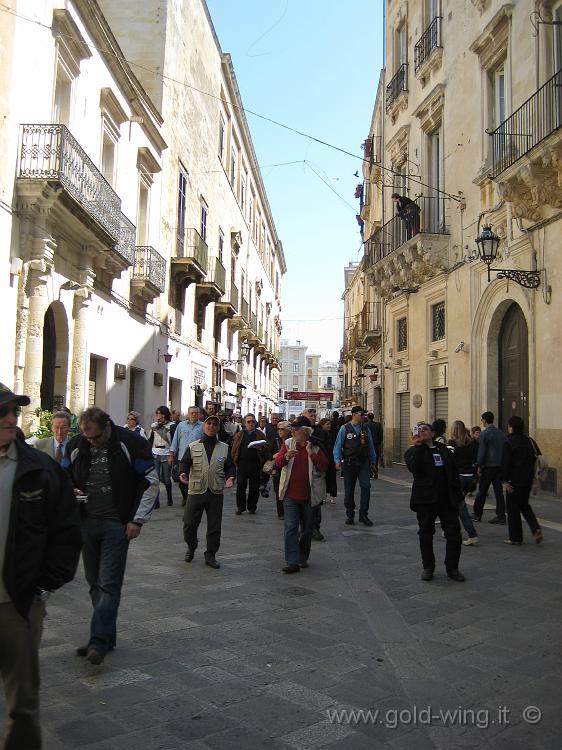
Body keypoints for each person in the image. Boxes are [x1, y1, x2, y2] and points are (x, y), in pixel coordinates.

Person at [0, 384, 82, 750]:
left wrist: (42, 587)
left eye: (13, 411)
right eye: (1, 411)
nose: (9, 417)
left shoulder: (39, 469)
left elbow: (66, 531)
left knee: (22, 704)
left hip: (17, 604)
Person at [66, 407, 159, 665]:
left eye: (95, 437)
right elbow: (61, 475)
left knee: (108, 583)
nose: (91, 442)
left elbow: (151, 482)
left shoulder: (131, 443)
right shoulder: (77, 444)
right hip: (87, 523)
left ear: (107, 427)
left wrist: (136, 519)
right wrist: (70, 489)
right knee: (94, 582)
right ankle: (107, 635)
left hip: (117, 525)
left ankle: (97, 642)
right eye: (87, 437)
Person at [405, 423, 465, 582]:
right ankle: (428, 567)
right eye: (419, 430)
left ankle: (452, 568)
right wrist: (417, 446)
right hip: (425, 500)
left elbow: (453, 472)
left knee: (454, 534)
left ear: (432, 433)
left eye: (425, 429)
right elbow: (414, 469)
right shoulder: (412, 451)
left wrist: (458, 496)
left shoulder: (443, 449)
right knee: (425, 534)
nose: (422, 431)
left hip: (446, 499)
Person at [179, 415, 236, 568]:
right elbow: (185, 462)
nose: (211, 426)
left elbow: (230, 466)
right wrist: (183, 472)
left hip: (215, 491)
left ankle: (210, 554)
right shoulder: (193, 446)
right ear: (204, 426)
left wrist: (230, 477)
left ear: (218, 428)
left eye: (214, 424)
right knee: (189, 524)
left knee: (214, 526)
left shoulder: (224, 447)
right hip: (196, 490)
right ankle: (191, 545)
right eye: (208, 423)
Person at [275, 416, 329, 573]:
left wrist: (311, 453)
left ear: (305, 431)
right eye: (292, 429)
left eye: (296, 429)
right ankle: (292, 561)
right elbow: (278, 462)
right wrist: (286, 456)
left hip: (309, 496)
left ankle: (302, 557)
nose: (293, 431)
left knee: (306, 530)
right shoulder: (287, 444)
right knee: (291, 528)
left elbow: (324, 466)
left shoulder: (316, 446)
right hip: (290, 495)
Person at [502, 416, 543, 546]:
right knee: (525, 505)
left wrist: (504, 480)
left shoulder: (509, 442)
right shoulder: (529, 441)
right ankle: (535, 529)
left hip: (513, 481)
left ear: (512, 427)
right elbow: (537, 457)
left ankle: (515, 538)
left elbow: (506, 463)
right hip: (528, 480)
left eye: (509, 426)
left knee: (513, 509)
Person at [333, 405, 377, 526]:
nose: (364, 416)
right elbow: (337, 446)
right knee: (349, 491)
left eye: (364, 414)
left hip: (363, 462)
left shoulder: (365, 428)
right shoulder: (344, 428)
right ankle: (350, 514)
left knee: (366, 487)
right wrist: (337, 461)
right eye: (361, 414)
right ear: (354, 415)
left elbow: (371, 446)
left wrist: (373, 462)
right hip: (349, 463)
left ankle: (363, 514)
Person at [447, 420, 479, 546]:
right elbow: (475, 459)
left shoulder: (452, 443)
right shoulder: (471, 443)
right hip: (469, 478)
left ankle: (472, 534)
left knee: (460, 507)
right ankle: (450, 529)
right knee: (455, 504)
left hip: (458, 478)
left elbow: (449, 460)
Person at [471, 411, 507, 524]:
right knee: (499, 492)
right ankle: (501, 515)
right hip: (499, 466)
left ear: (485, 420)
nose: (482, 422)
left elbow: (482, 451)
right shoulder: (501, 433)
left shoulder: (484, 434)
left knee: (482, 491)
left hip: (488, 466)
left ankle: (477, 514)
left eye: (482, 420)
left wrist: (479, 465)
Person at [231, 414, 270, 515]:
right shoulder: (240, 434)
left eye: (253, 421)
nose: (251, 423)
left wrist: (261, 448)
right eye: (248, 422)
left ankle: (252, 507)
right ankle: (240, 507)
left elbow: (267, 447)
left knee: (254, 487)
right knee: (240, 486)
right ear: (244, 423)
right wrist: (235, 460)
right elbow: (234, 448)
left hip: (255, 463)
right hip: (242, 463)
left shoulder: (260, 434)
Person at [168, 406, 204, 507]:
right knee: (182, 480)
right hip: (182, 457)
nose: (193, 415)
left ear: (199, 414)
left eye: (196, 413)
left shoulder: (203, 426)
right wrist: (171, 454)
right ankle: (185, 497)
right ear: (188, 414)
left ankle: (192, 498)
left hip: (198, 457)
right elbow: (175, 441)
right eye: (191, 413)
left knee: (196, 479)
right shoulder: (181, 426)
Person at [148, 406, 173, 507]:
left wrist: (172, 454)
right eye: (157, 413)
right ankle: (156, 501)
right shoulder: (153, 425)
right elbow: (150, 440)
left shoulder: (172, 426)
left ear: (164, 414)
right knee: (156, 479)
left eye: (160, 413)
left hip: (167, 454)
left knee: (166, 479)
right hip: (155, 454)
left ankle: (169, 496)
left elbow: (174, 441)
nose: (158, 415)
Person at [272, 421, 291, 519]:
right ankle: (281, 513)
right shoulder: (275, 440)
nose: (280, 431)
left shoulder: (290, 442)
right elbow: (268, 453)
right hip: (277, 469)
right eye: (278, 429)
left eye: (282, 429)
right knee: (278, 491)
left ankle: (288, 510)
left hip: (287, 468)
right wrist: (273, 455)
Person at [319, 418, 337, 503]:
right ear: (322, 425)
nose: (329, 426)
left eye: (329, 424)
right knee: (323, 477)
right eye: (327, 424)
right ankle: (324, 495)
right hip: (324, 458)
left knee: (332, 478)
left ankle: (332, 496)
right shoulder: (320, 435)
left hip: (331, 458)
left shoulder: (332, 434)